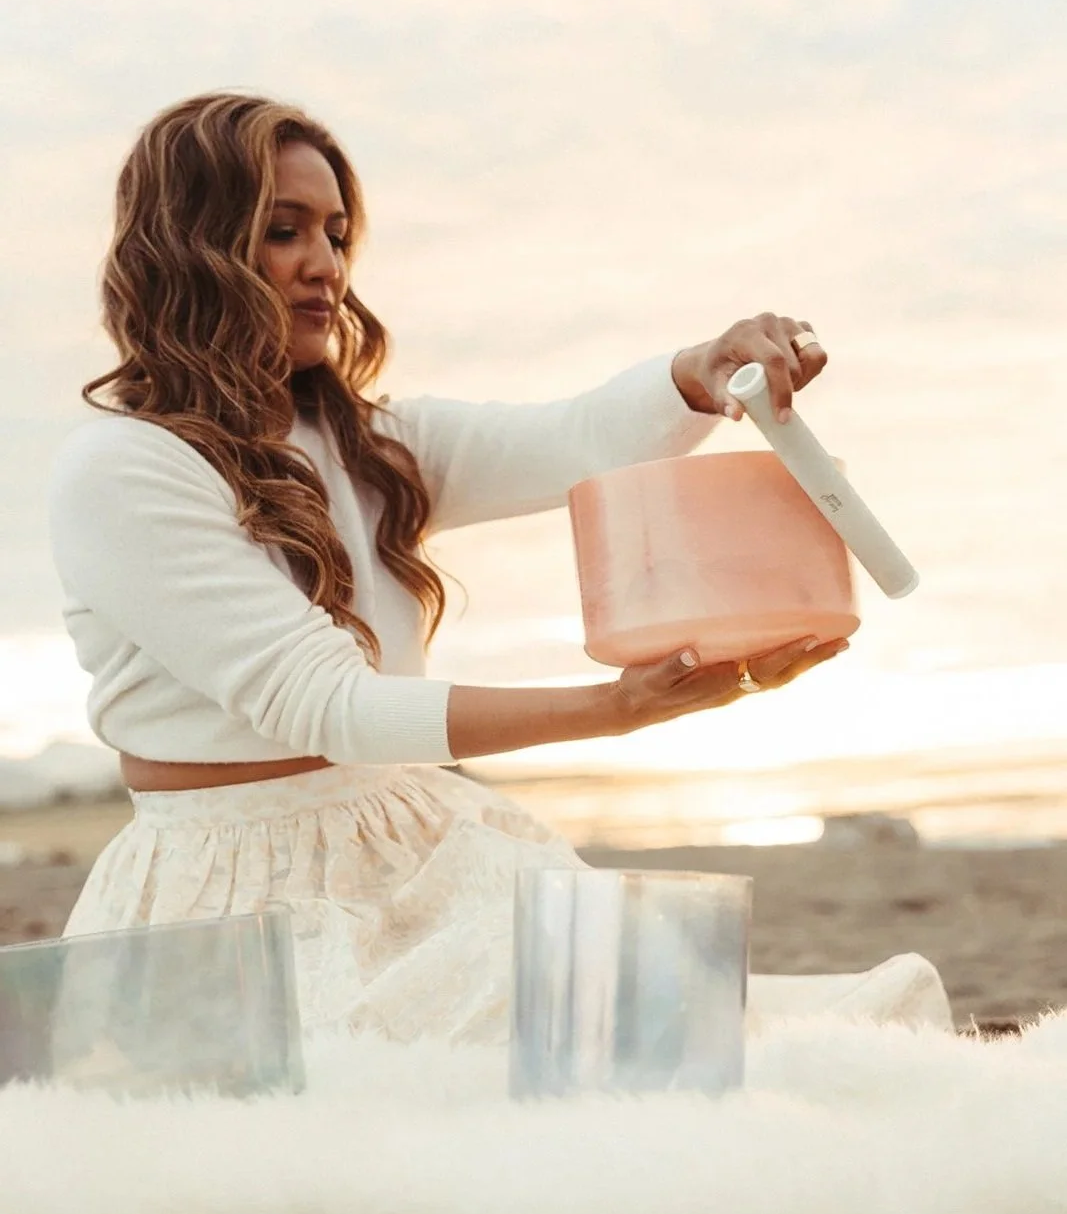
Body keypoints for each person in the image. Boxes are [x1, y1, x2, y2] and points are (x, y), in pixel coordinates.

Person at [47, 91, 859, 1044]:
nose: (325, 267)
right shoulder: (123, 469)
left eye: (338, 236)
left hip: (417, 835)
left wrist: (698, 369)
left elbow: (573, 441)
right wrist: (613, 708)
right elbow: (326, 705)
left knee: (682, 1044)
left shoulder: (369, 441)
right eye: (282, 231)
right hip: (228, 883)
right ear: (188, 248)